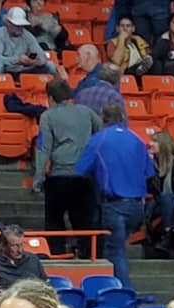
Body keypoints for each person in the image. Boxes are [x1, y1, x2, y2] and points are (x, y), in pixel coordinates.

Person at [75, 102, 153, 289]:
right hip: (138, 206)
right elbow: (149, 172)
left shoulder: (99, 139)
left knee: (115, 253)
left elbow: (80, 169)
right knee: (117, 249)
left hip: (114, 204)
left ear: (104, 119)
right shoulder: (137, 140)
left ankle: (125, 294)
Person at [33, 77, 101, 258]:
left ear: (50, 97)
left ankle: (56, 256)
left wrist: (38, 178)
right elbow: (101, 134)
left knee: (54, 222)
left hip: (58, 177)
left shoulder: (47, 116)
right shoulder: (87, 112)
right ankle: (87, 257)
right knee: (84, 222)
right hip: (84, 177)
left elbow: (43, 148)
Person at [0, 6, 57, 77]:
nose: (20, 28)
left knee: (50, 65)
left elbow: (41, 55)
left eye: (22, 25)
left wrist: (34, 61)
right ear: (8, 23)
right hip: (7, 68)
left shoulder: (27, 35)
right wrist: (17, 59)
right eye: (17, 25)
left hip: (25, 69)